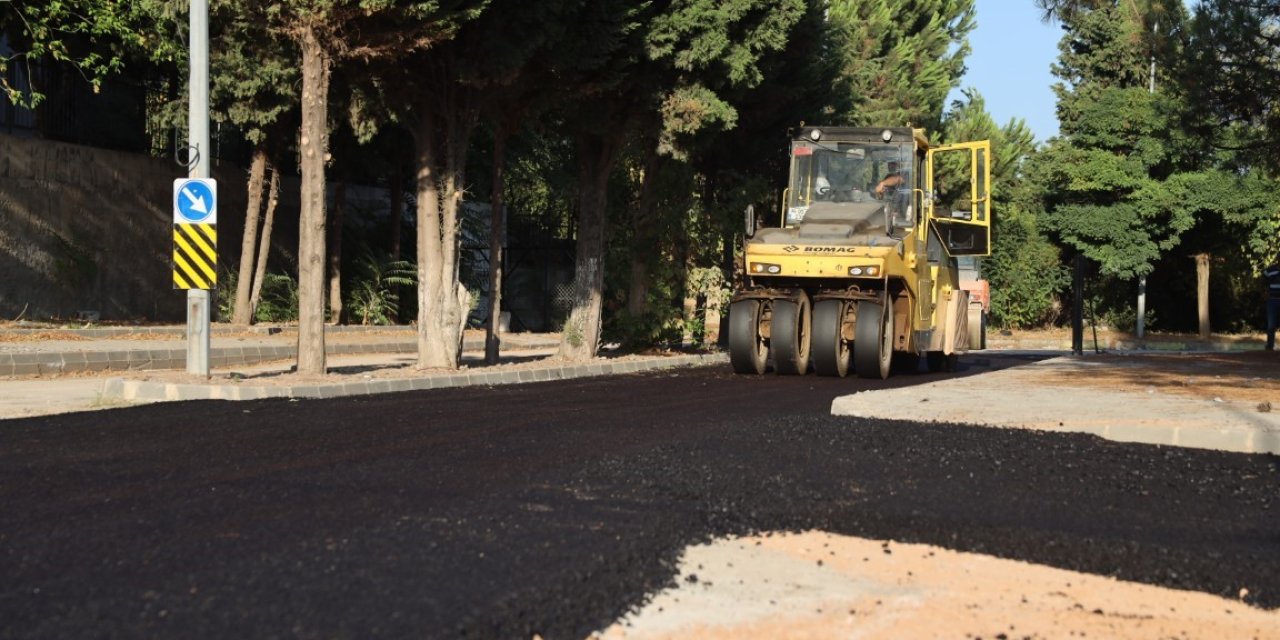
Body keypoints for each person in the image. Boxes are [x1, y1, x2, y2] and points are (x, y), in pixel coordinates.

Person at [1265, 262, 1280, 350]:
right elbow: (1261, 279)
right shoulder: (1270, 269)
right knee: (1271, 325)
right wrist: (1263, 292)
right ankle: (1270, 346)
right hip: (1272, 300)